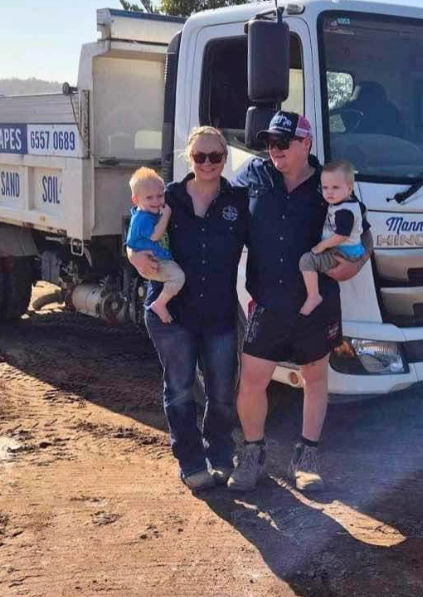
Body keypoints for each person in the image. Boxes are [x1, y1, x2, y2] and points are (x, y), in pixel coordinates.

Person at [227, 111, 372, 493]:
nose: (273, 150)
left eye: (282, 143)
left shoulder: (330, 183)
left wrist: (356, 264)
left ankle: (305, 459)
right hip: (268, 302)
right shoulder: (254, 176)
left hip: (316, 302)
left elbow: (364, 231)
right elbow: (219, 203)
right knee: (252, 382)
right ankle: (253, 456)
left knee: (314, 378)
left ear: (306, 144)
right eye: (270, 143)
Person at [128, 127, 249, 492]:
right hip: (173, 314)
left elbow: (270, 238)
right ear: (189, 158)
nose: (208, 163)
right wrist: (132, 254)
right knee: (179, 389)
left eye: (216, 157)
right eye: (200, 156)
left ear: (225, 159)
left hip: (220, 313)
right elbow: (136, 232)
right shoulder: (170, 198)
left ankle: (221, 456)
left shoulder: (238, 201)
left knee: (223, 392)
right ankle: (191, 461)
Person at [298, 159, 368, 315]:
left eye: (335, 188)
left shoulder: (344, 211)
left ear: (349, 188)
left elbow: (342, 235)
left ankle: (313, 296)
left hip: (342, 251)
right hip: (351, 248)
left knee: (306, 261)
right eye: (325, 187)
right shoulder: (348, 203)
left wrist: (321, 246)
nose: (329, 192)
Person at [125, 168, 185, 324]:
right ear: (135, 200)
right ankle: (159, 304)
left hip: (159, 259)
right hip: (154, 262)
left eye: (160, 196)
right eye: (149, 198)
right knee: (178, 278)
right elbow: (156, 235)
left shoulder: (149, 212)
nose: (156, 201)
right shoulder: (142, 219)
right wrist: (165, 215)